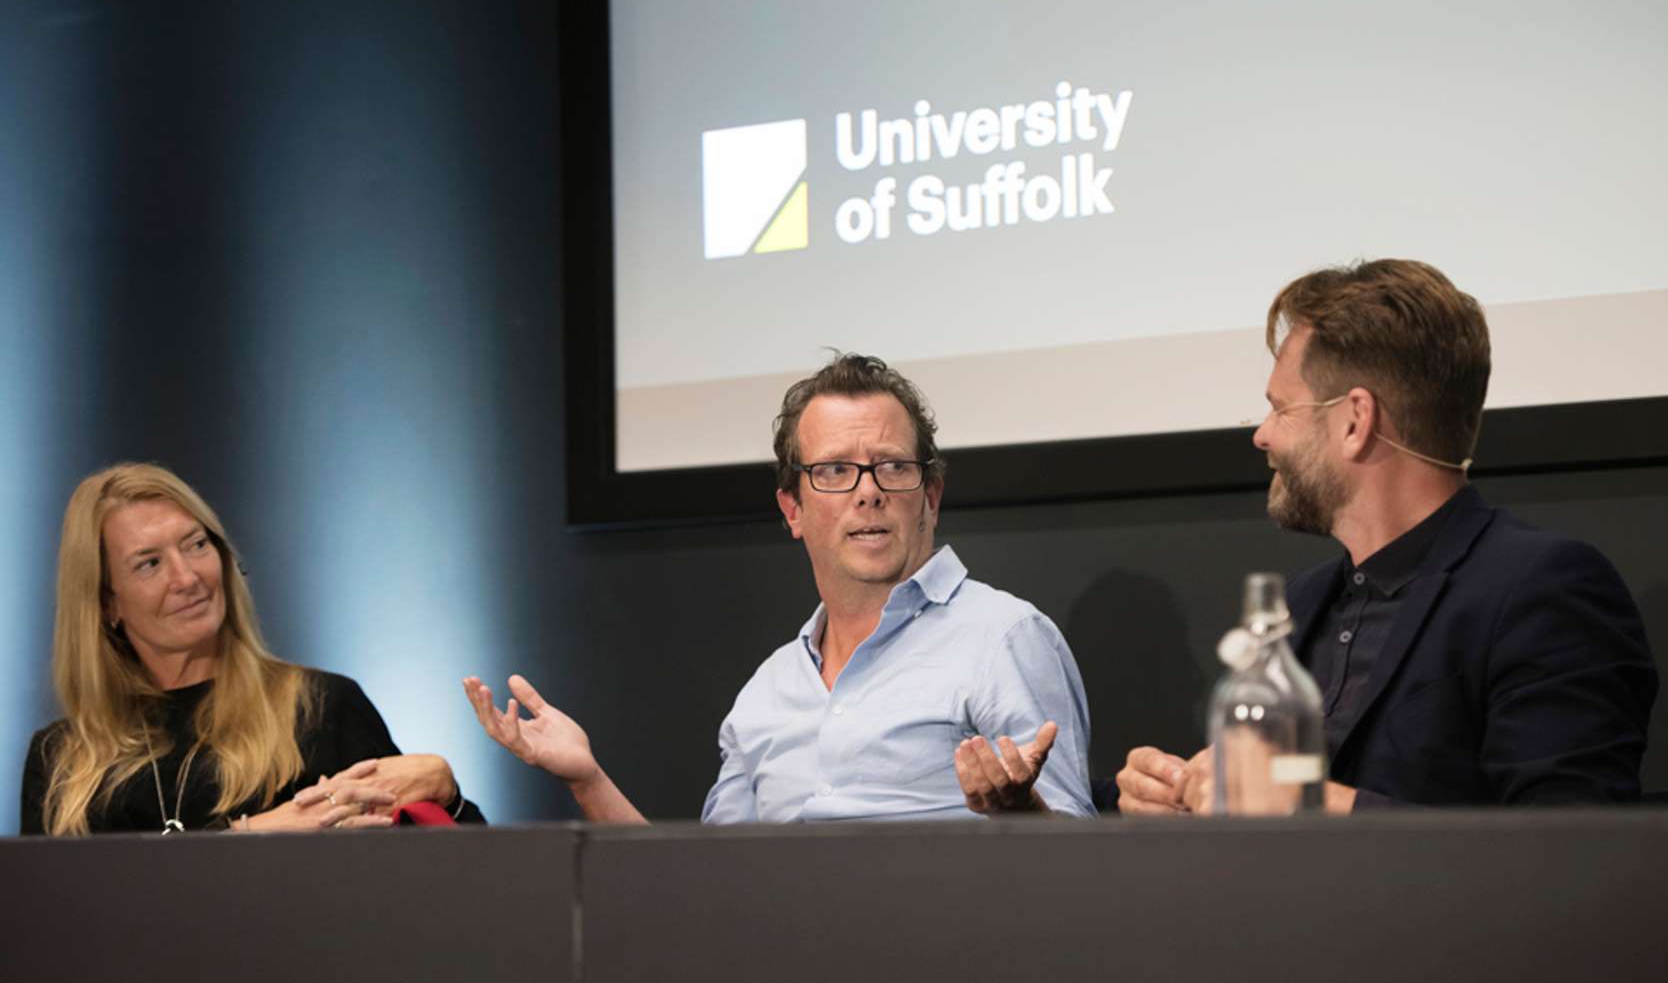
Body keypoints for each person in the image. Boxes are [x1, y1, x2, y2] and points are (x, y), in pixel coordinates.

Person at [1118, 259, 1657, 813]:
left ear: (1355, 420)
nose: (1262, 434)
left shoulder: (1541, 589)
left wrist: (1313, 804)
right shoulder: (1301, 604)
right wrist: (1182, 800)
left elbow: (1569, 850)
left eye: (1281, 409)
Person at [465, 353, 1094, 821]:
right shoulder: (768, 691)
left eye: (893, 467)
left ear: (930, 496)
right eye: (835, 471)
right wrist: (588, 780)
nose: (868, 490)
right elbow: (697, 893)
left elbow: (1086, 880)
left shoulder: (1004, 639)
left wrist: (1020, 815)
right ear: (792, 510)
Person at [20, 463, 482, 835]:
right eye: (149, 564)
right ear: (106, 603)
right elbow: (48, 929)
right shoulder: (61, 760)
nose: (187, 578)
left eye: (196, 544)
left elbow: (451, 887)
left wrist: (448, 794)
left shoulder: (321, 708)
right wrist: (251, 834)